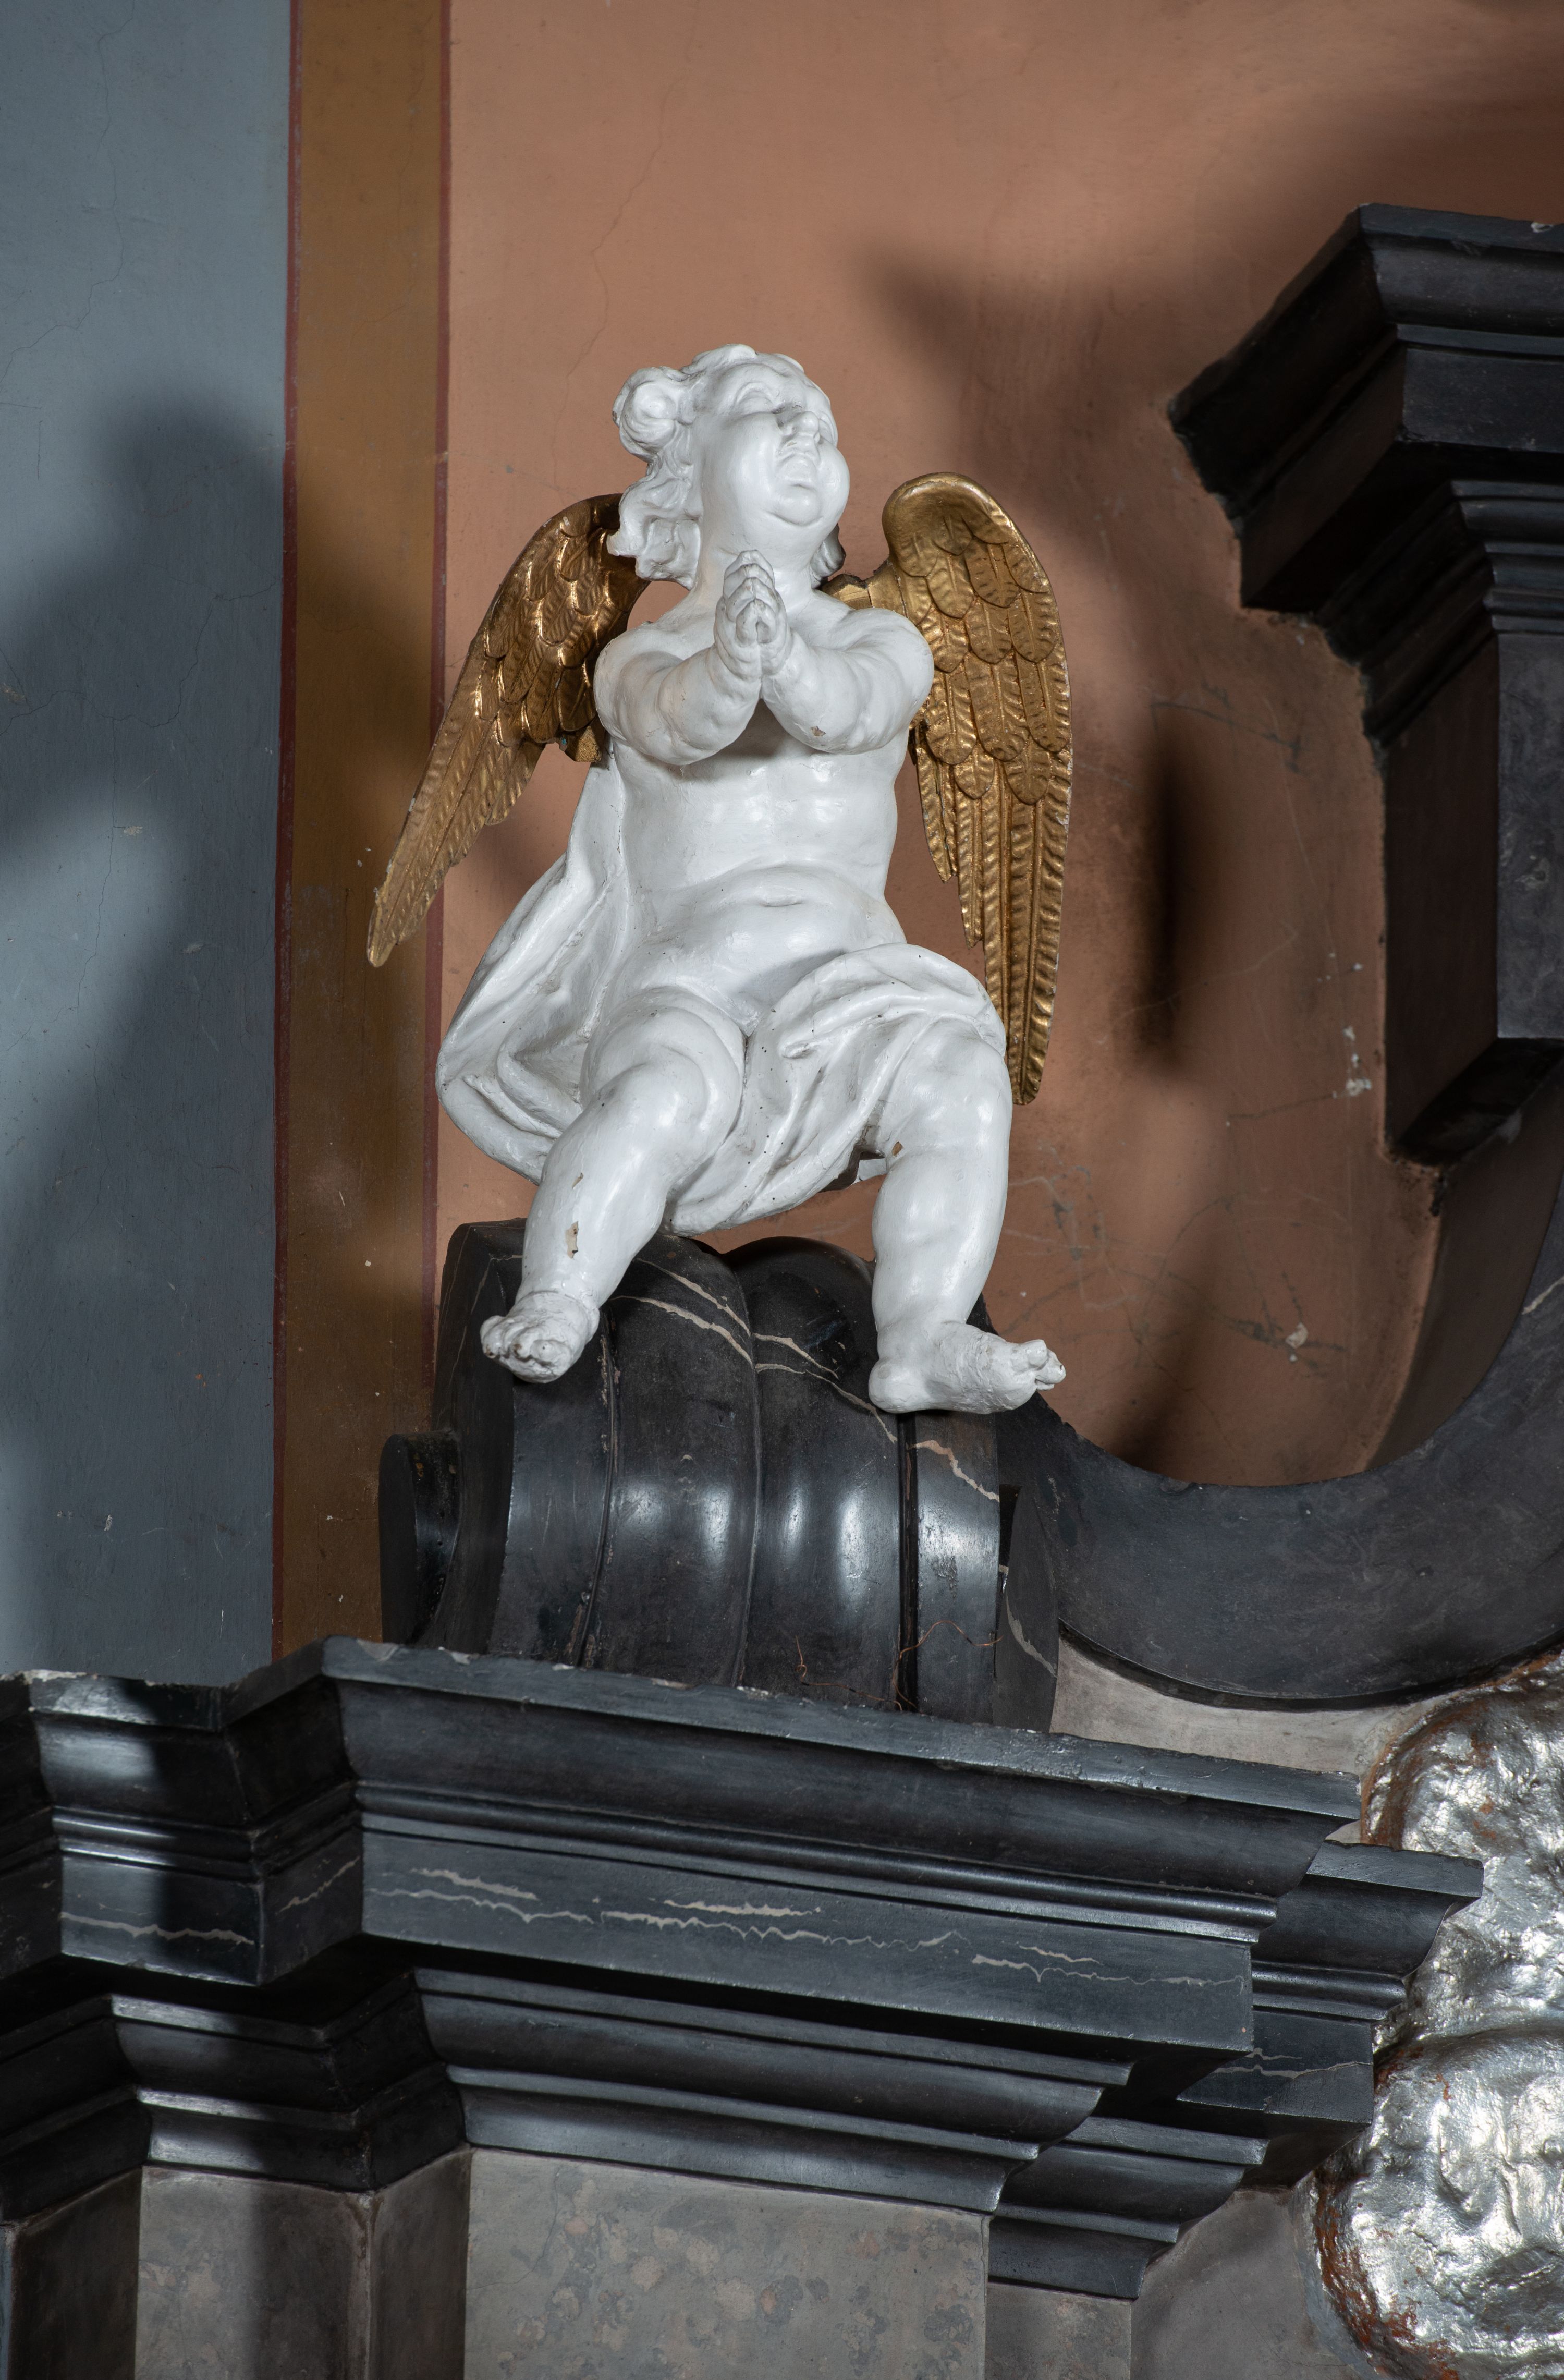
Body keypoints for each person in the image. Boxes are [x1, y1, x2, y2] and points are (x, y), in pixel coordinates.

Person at [437, 345, 1065, 1414]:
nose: (809, 426)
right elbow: (680, 723)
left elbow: (849, 711)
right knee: (653, 1096)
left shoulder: (886, 640)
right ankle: (558, 1294)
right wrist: (732, 664)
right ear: (686, 474)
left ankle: (921, 1333)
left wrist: (783, 659)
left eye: (822, 417)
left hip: (849, 990)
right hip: (691, 979)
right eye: (769, 408)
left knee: (964, 1079)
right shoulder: (636, 658)